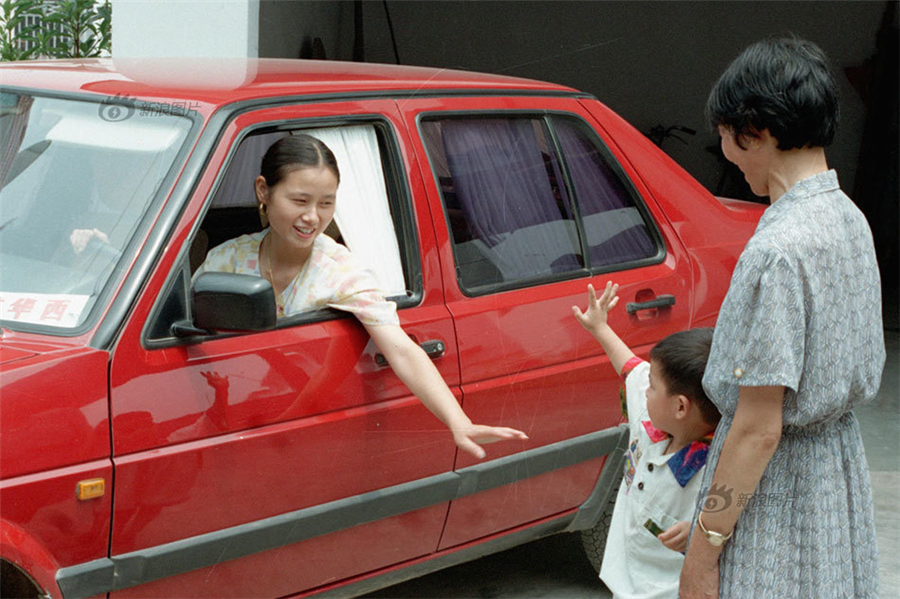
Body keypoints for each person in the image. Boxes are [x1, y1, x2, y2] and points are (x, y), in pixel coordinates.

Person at [679, 36, 885, 599]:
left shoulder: (778, 251)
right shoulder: (848, 219)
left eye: (724, 134)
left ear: (757, 130)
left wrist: (704, 548)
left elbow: (756, 431)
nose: (724, 148)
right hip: (835, 481)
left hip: (778, 497)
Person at [195, 134, 528, 459]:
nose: (313, 217)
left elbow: (402, 349)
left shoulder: (342, 271)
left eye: (326, 203)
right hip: (229, 412)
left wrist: (459, 422)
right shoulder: (226, 259)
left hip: (302, 425)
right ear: (263, 190)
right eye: (299, 201)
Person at [572, 281, 719, 599]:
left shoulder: (720, 468)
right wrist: (599, 327)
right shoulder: (652, 416)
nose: (644, 388)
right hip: (622, 583)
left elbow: (747, 511)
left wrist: (700, 528)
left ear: (680, 406)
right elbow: (630, 369)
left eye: (653, 386)